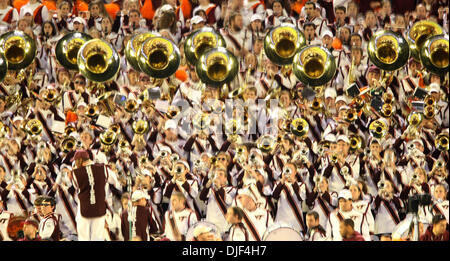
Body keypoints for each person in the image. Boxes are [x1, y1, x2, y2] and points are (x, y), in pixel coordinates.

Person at [71, 150, 121, 241]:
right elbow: (115, 182)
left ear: (80, 160)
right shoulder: (104, 169)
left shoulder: (75, 173)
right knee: (98, 238)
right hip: (99, 210)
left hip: (83, 210)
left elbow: (75, 186)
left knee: (83, 238)